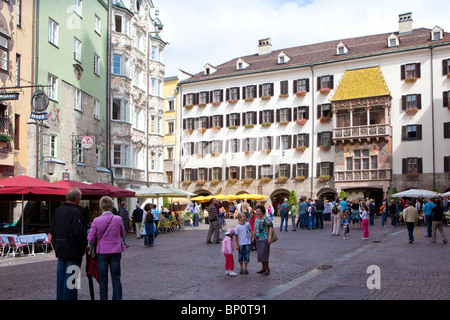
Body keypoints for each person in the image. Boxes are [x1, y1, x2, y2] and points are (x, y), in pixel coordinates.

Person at [51, 187, 87, 300]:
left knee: (61, 278)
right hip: (73, 250)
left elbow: (53, 229)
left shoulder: (58, 210)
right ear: (77, 199)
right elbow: (78, 232)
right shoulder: (76, 212)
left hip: (60, 248)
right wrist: (84, 245)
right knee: (71, 280)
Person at [88, 196, 126, 300]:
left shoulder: (96, 220)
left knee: (103, 279)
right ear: (112, 206)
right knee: (116, 278)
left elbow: (90, 237)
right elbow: (122, 234)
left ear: (101, 207)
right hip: (115, 251)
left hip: (102, 251)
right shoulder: (118, 219)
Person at [253, 205, 273, 275]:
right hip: (258, 238)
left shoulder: (267, 218)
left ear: (262, 211)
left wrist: (269, 237)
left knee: (265, 253)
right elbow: (255, 228)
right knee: (260, 254)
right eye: (257, 211)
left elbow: (270, 227)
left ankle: (267, 268)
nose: (257, 213)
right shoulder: (256, 219)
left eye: (259, 211)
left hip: (265, 238)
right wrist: (253, 236)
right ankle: (263, 267)